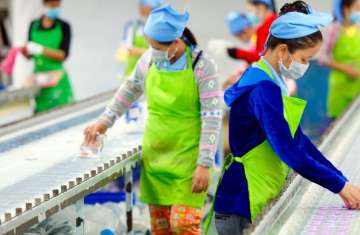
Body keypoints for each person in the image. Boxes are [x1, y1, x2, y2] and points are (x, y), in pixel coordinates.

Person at [206, 2, 360, 235]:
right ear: (283, 50)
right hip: (242, 203)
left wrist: (342, 181)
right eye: (305, 59)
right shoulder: (262, 88)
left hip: (255, 195)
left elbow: (299, 140)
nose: (306, 66)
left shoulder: (272, 80)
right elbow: (289, 151)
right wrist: (338, 185)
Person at [84, 5, 222, 235]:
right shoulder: (148, 61)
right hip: (156, 160)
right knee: (162, 229)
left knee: (183, 225)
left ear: (176, 42)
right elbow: (129, 90)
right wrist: (104, 121)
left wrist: (204, 163)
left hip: (188, 161)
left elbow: (212, 117)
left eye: (156, 46)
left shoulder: (202, 66)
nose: (152, 50)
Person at [26, 0, 73, 113]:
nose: (56, 8)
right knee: (41, 112)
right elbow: (29, 55)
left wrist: (40, 49)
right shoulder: (34, 25)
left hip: (57, 78)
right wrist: (23, 49)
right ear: (44, 4)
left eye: (58, 5)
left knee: (62, 111)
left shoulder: (64, 26)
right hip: (39, 79)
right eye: (52, 5)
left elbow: (63, 54)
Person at [318, 0, 360, 119]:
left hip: (357, 88)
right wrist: (346, 69)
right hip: (340, 89)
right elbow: (322, 57)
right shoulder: (334, 29)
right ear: (346, 9)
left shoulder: (358, 28)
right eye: (357, 8)